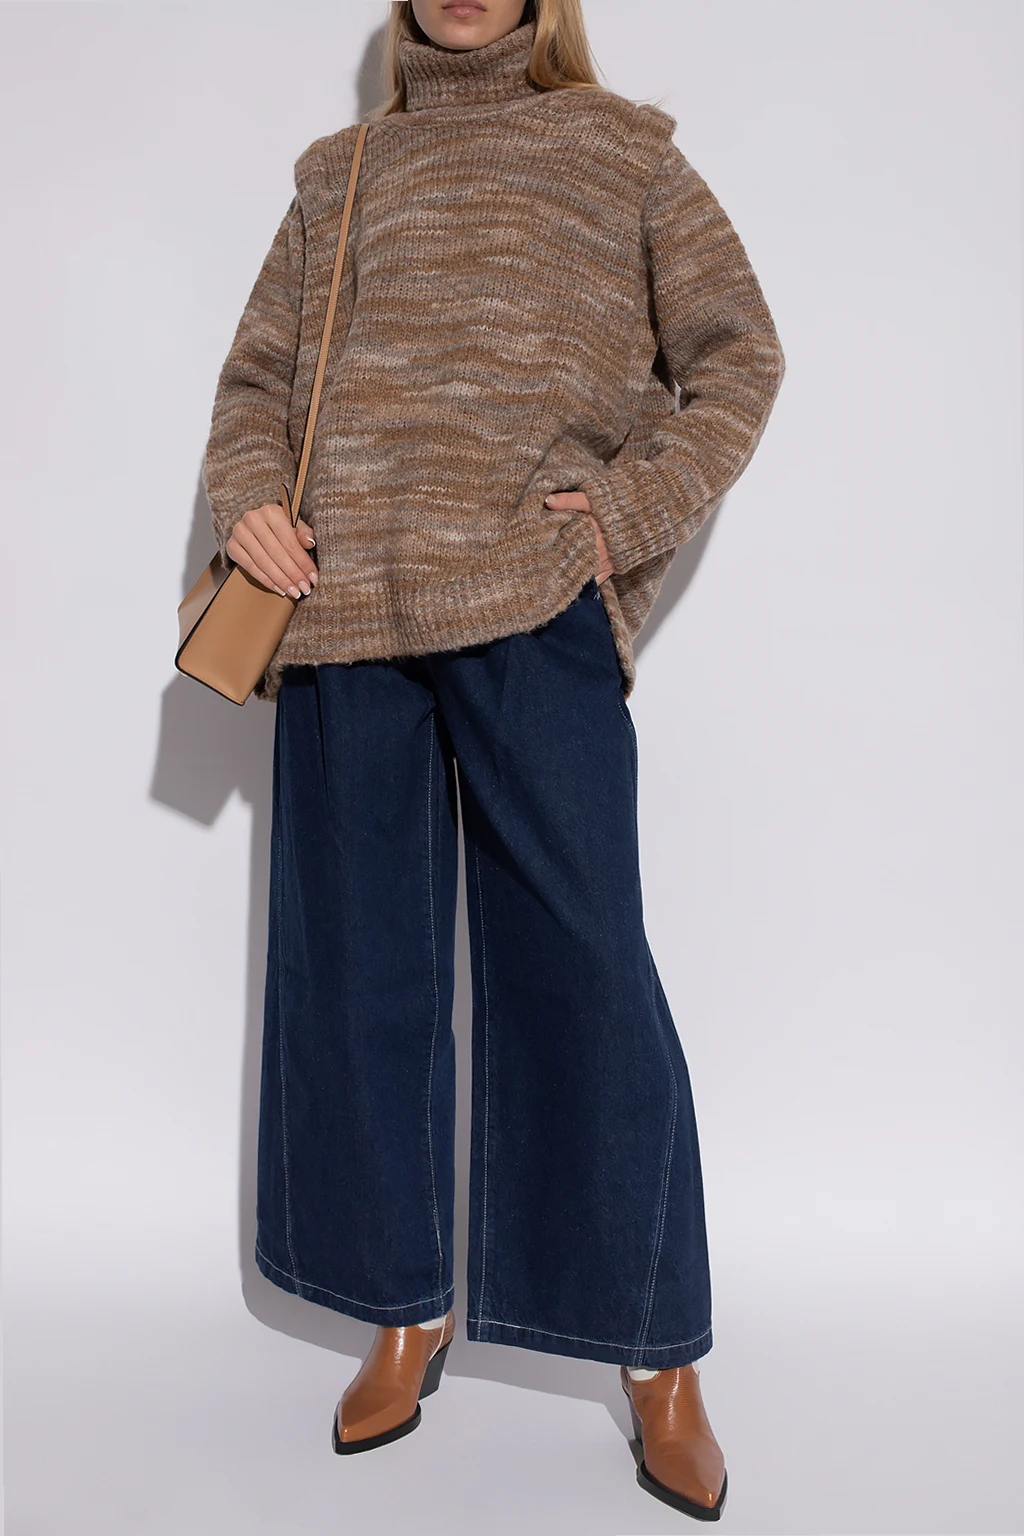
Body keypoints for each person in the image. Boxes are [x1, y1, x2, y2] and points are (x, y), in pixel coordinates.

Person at [201, 0, 784, 1520]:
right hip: (343, 613)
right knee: (357, 978)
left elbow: (739, 355)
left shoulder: (621, 152)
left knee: (586, 968)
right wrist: (248, 496)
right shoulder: (341, 173)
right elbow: (258, 382)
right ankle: (402, 1307)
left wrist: (623, 514)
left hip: (533, 606)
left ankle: (659, 1353)